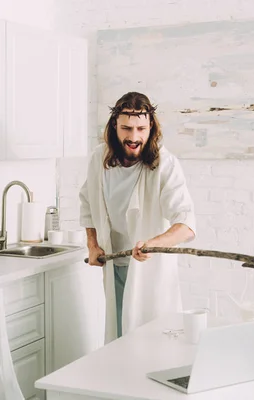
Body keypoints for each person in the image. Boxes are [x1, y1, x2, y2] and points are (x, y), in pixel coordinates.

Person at [79, 91, 197, 343]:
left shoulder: (166, 165)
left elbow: (186, 224)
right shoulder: (99, 159)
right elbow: (87, 202)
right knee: (119, 342)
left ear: (151, 127)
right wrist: (92, 244)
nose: (133, 137)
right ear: (114, 127)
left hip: (149, 271)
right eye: (126, 128)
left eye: (141, 128)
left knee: (154, 343)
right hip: (115, 264)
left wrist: (154, 244)